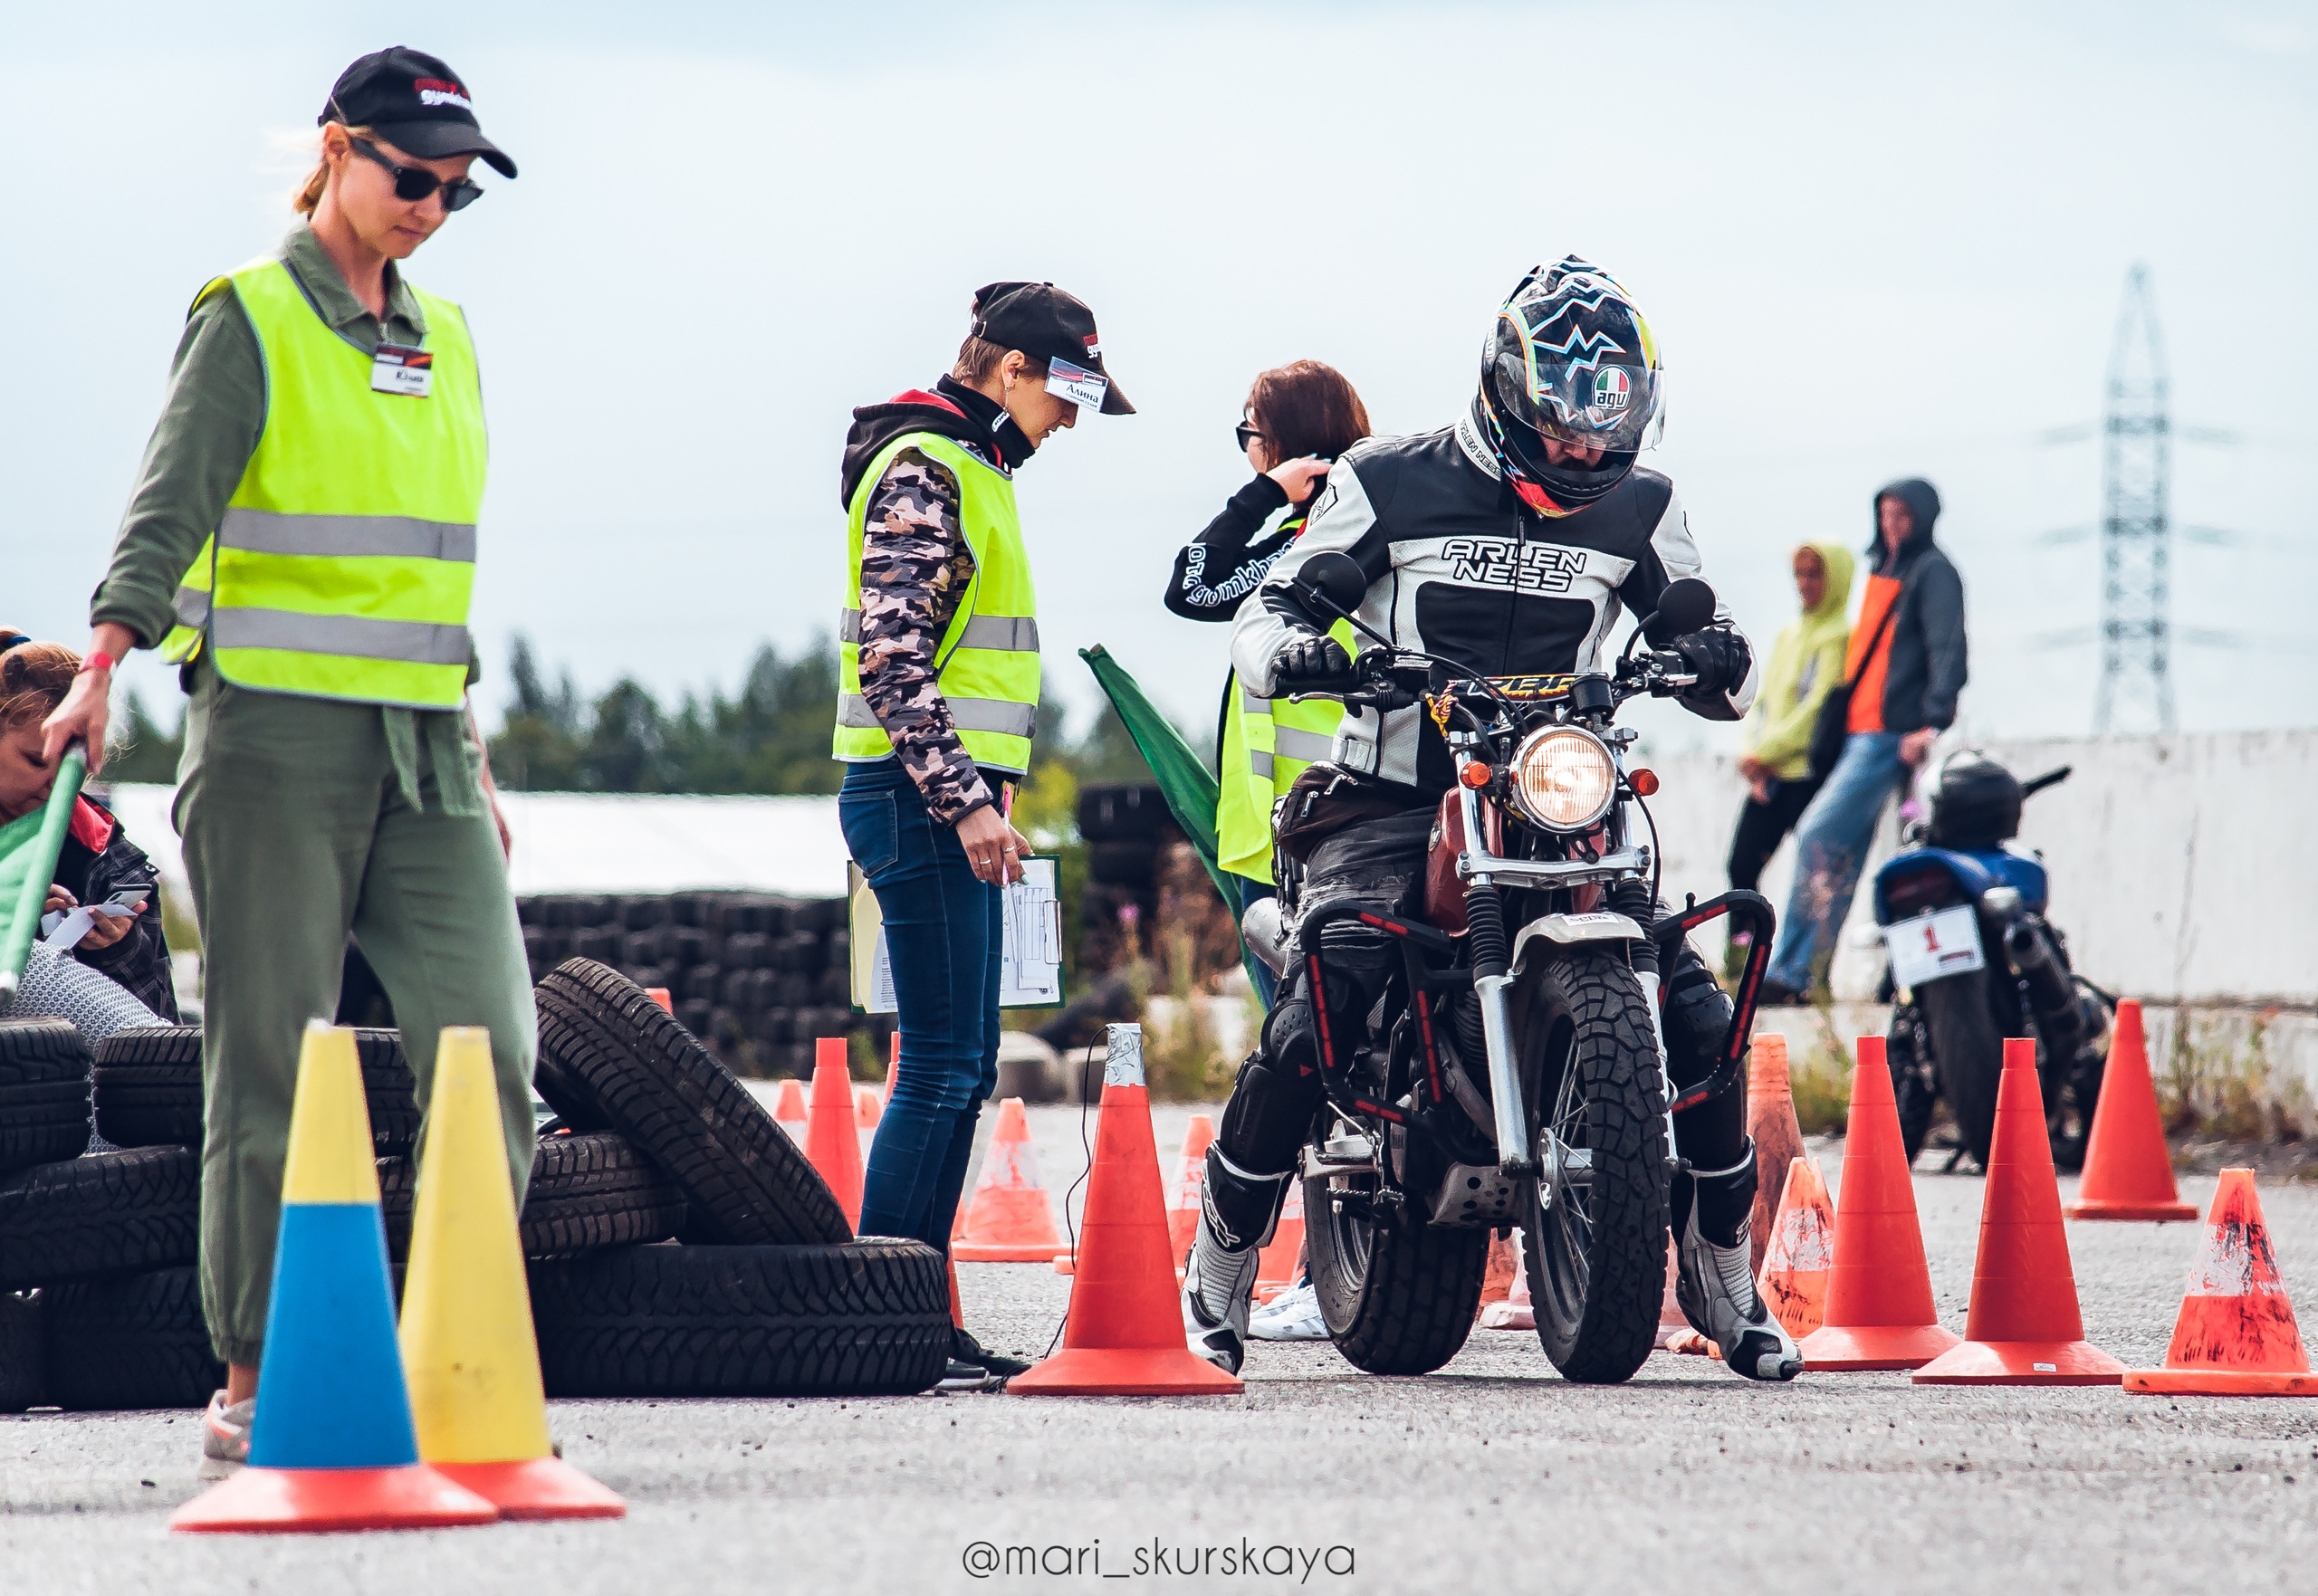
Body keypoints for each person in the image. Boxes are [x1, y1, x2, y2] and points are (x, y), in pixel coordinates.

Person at [40, 48, 536, 1475]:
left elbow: (433, 576)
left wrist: (479, 757)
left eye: (457, 188)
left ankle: (453, 1343)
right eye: (412, 176)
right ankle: (262, 1364)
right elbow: (169, 501)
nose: (433, 205)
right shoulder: (248, 315)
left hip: (430, 749)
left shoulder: (445, 338)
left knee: (490, 1041)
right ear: (337, 149)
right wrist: (101, 665)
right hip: (270, 742)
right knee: (271, 1057)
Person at [1183, 255, 1800, 1382]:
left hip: (1556, 788)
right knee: (1339, 984)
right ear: (1506, 392)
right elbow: (1274, 600)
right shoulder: (1387, 477)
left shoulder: (1642, 504)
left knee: (1700, 1010)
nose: (1580, 456)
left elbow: (1720, 657)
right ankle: (1217, 1270)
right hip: (1393, 794)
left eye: (1599, 437)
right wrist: (1298, 646)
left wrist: (1715, 658)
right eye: (1561, 433)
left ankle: (1722, 1278)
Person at [835, 281, 1132, 1390]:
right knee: (944, 1062)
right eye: (1064, 395)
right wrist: (964, 802)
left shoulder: (975, 467)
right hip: (919, 801)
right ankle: (882, 1310)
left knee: (954, 1066)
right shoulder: (927, 463)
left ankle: (909, 1309)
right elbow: (893, 659)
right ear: (1004, 367)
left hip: (937, 799)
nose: (1068, 421)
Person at [1164, 361, 1370, 1007]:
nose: (1248, 451)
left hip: (1305, 835)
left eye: (1250, 435)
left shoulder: (1306, 548)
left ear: (1289, 447)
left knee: (1304, 1046)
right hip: (1317, 830)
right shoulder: (1359, 533)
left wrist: (1265, 493)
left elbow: (1191, 585)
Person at [1757, 480, 1967, 1006]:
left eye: (1903, 515)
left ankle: (1795, 970)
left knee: (1821, 837)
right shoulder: (1882, 568)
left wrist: (1932, 722)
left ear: (1922, 518)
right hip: (1862, 730)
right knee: (1844, 854)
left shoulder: (1933, 571)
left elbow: (1947, 648)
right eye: (1886, 514)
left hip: (1893, 735)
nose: (1893, 524)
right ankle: (1804, 975)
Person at [0, 636, 174, 1046]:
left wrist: (119, 949)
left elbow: (162, 1037)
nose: (51, 787)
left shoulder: (112, 859)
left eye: (71, 773)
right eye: (37, 761)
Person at [1722, 543, 1854, 970]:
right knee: (1741, 866)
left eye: (1815, 575)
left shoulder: (1839, 637)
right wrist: (1752, 757)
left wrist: (1766, 754)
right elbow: (1761, 705)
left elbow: (1816, 711)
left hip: (1808, 776)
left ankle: (1810, 973)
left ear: (1834, 580)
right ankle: (1742, 964)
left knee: (1816, 878)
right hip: (1770, 775)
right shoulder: (1788, 634)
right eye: (1799, 574)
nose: (1805, 585)